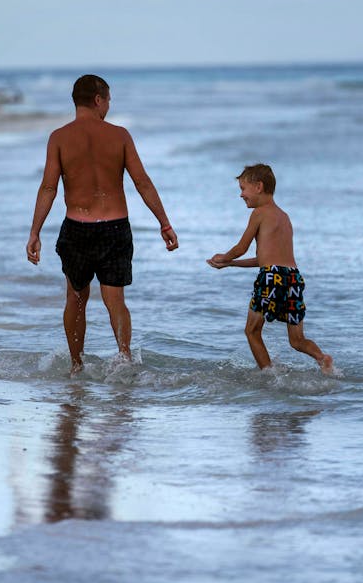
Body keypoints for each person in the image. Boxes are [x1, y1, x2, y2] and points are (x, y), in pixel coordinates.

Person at [26, 74, 178, 373]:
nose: (108, 106)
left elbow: (48, 188)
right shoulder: (120, 135)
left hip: (76, 227)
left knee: (76, 298)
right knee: (115, 300)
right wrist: (164, 223)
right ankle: (124, 360)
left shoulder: (59, 137)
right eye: (108, 100)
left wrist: (35, 231)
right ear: (98, 100)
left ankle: (76, 365)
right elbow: (142, 182)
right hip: (115, 227)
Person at [208, 163, 334, 374]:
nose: (241, 195)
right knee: (297, 340)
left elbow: (241, 248)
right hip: (292, 278)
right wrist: (231, 264)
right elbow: (265, 259)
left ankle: (269, 375)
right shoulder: (284, 217)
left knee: (252, 331)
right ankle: (322, 358)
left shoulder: (259, 213)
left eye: (243, 189)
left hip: (271, 277)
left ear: (258, 186)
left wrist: (224, 256)